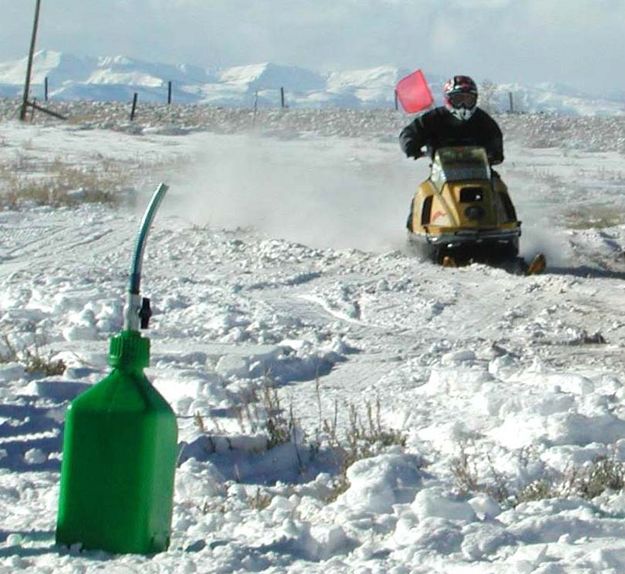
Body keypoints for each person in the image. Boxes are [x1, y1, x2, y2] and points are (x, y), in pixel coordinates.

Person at [399, 75, 503, 165]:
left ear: (475, 100)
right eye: (458, 99)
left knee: (499, 186)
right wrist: (410, 145)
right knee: (424, 188)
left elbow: (495, 136)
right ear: (448, 99)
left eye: (468, 100)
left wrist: (495, 153)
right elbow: (411, 132)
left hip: (480, 171)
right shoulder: (434, 118)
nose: (463, 105)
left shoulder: (482, 120)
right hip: (441, 174)